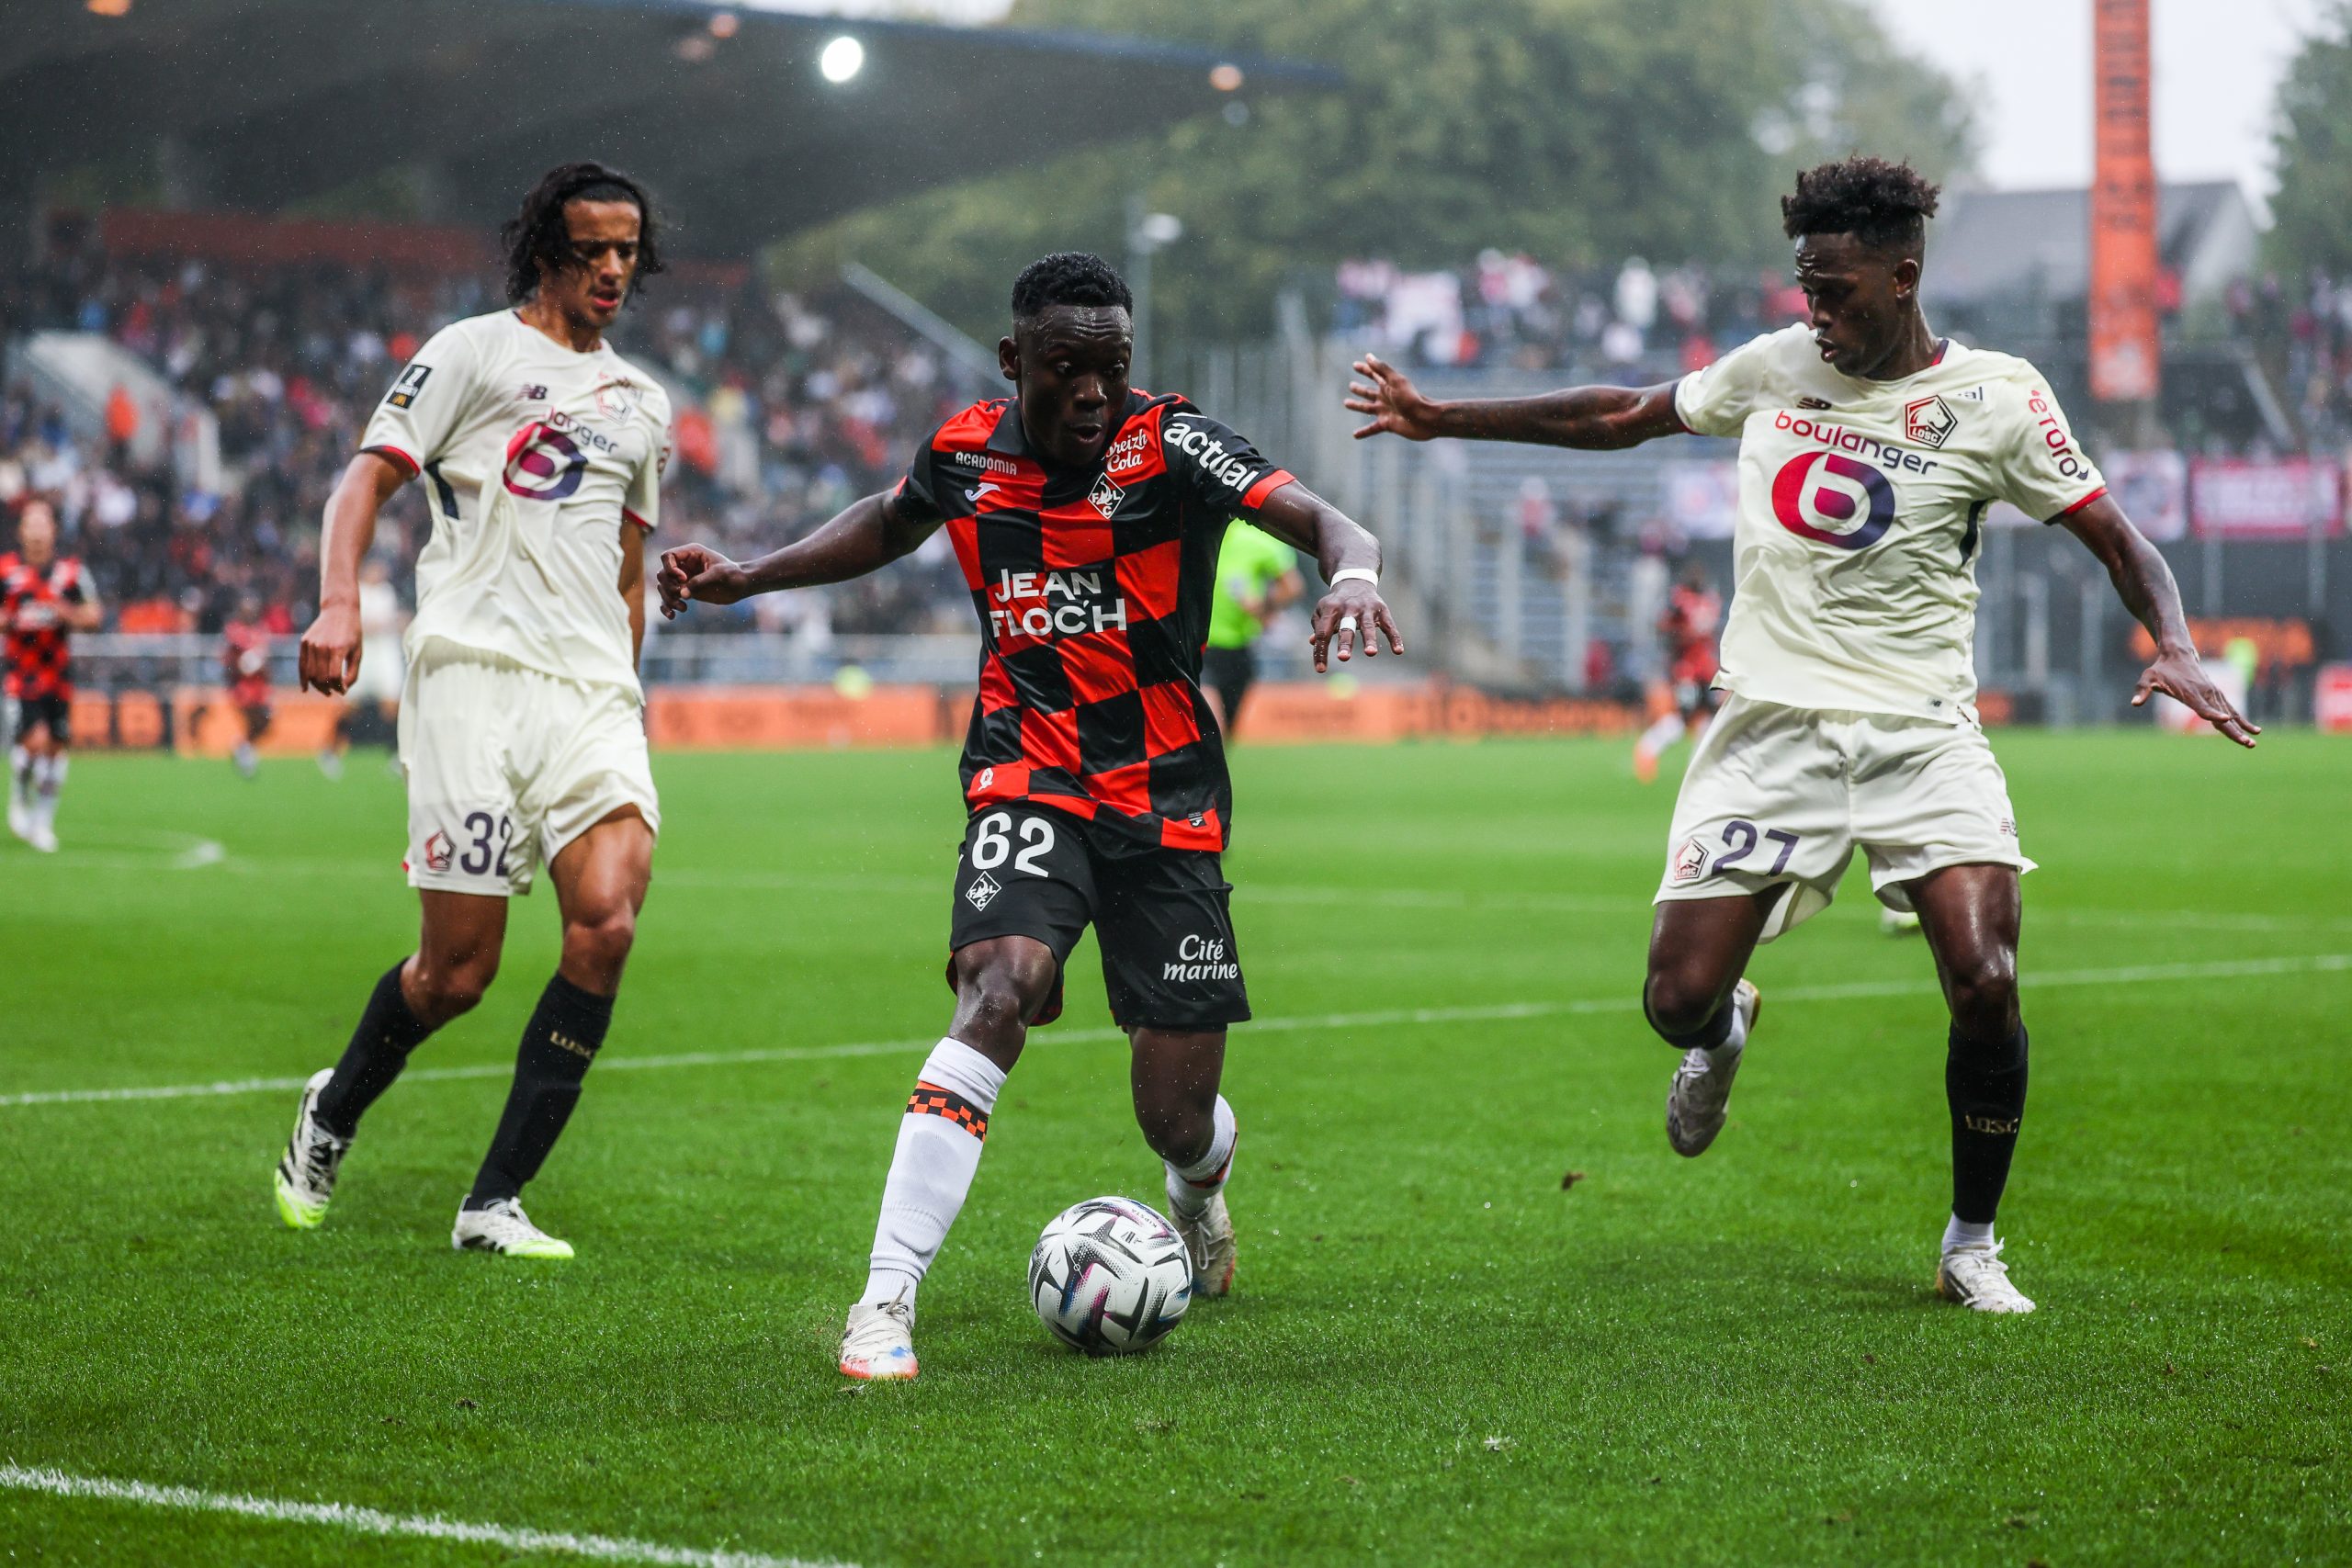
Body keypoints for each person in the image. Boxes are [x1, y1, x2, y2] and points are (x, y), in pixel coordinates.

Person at [1346, 156, 2256, 1314]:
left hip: (1923, 732)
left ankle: (1971, 1243)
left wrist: (2169, 639)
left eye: (1835, 290)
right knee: (1671, 997)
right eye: (1804, 286)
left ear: (1903, 277)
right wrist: (1439, 417)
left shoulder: (1999, 400)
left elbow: (2120, 539)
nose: (1813, 311)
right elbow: (1623, 413)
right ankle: (1721, 1031)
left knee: (1984, 981)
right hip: (1770, 732)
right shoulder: (1777, 366)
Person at [657, 252, 1403, 1380]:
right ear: (1016, 362)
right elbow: (889, 517)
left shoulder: (1173, 440)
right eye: (1068, 368)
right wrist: (752, 577)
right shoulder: (964, 454)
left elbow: (1315, 516)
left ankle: (1197, 1188)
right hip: (1028, 769)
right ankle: (885, 1299)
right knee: (998, 988)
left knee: (1175, 1114)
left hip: (1165, 795)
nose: (1096, 392)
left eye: (1113, 365)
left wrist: (1354, 571)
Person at [273, 162, 674, 1260]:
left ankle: (494, 1200)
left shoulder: (643, 404)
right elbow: (364, 480)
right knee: (458, 973)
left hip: (590, 697)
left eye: (627, 250)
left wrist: (627, 684)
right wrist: (339, 600)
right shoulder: (469, 353)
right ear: (545, 247)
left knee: (608, 922)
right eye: (591, 247)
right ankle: (334, 1107)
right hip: (471, 681)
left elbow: (631, 568)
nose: (611, 269)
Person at [2, 499, 101, 852]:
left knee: (56, 751)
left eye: (44, 522)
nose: (38, 530)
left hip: (58, 675)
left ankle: (43, 822)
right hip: (20, 675)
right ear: (21, 531)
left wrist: (66, 613)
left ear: (54, 530)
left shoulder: (71, 574)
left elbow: (94, 616)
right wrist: (10, 619)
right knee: (35, 742)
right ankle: (19, 794)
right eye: (31, 523)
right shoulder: (6, 571)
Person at [1202, 518, 1305, 737]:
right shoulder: (1190, 533)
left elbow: (1292, 587)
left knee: (1223, 735)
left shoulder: (1257, 539)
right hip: (1197, 648)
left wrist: (1262, 606)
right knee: (1211, 726)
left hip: (1239, 648)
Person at [1631, 559, 1722, 784]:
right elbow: (1663, 627)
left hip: (1706, 670)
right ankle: (1647, 749)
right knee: (1682, 720)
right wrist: (1677, 643)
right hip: (1687, 670)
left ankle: (1696, 770)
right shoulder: (1679, 600)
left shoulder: (1709, 600)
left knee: (1707, 720)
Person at [320, 557, 410, 778]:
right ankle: (330, 751)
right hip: (359, 655)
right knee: (351, 708)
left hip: (385, 656)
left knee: (392, 706)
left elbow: (395, 621)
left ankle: (397, 756)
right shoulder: (355, 592)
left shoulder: (387, 592)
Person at [220, 596, 273, 780]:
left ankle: (242, 748)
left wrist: (262, 666)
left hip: (260, 685)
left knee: (265, 723)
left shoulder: (260, 630)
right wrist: (241, 665)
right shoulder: (234, 631)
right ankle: (244, 752)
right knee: (255, 719)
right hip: (243, 686)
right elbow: (231, 659)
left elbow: (265, 656)